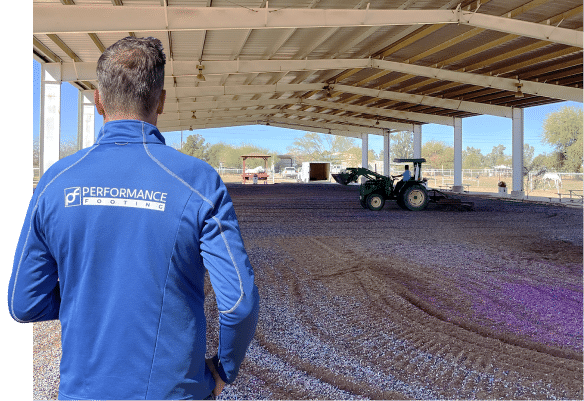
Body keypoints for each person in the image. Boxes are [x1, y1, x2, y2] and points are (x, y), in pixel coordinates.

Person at [8, 37, 259, 400]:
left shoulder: (57, 181)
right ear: (160, 100)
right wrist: (224, 370)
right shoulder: (199, 181)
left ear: (98, 100)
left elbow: (23, 303)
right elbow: (239, 304)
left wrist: (90, 289)